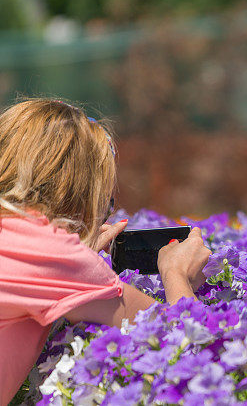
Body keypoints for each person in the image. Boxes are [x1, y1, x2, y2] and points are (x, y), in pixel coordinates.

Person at [0, 99, 211, 403]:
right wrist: (176, 272)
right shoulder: (50, 253)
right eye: (104, 201)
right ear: (76, 191)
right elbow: (181, 337)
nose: (105, 215)